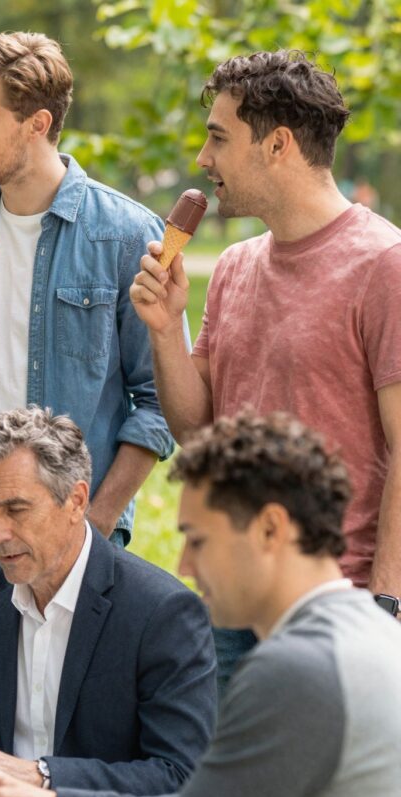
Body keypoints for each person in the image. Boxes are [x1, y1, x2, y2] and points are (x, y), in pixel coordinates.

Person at [0, 412, 401, 797]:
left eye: (198, 540)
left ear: (270, 529)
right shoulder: (361, 641)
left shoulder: (295, 672)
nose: (185, 564)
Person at [129, 50, 401, 689]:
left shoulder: (383, 266)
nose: (203, 158)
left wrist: (386, 604)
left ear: (277, 144)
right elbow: (199, 434)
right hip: (231, 596)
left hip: (337, 601)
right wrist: (166, 329)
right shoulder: (235, 265)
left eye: (218, 137)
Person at [0, 32, 175, 614]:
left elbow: (159, 402)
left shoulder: (126, 236)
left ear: (35, 123)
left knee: (73, 705)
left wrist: (92, 522)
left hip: (73, 536)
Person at [0, 407, 215, 797]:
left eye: (16, 509)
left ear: (76, 500)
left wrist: (41, 776)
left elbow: (179, 775)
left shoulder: (162, 612)